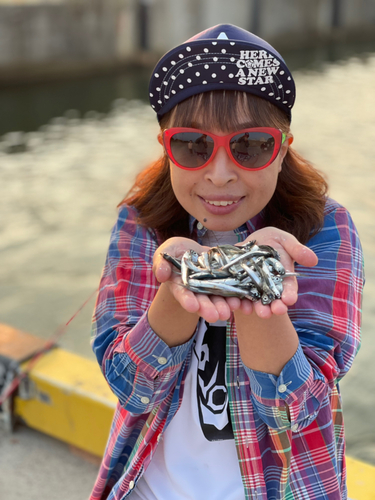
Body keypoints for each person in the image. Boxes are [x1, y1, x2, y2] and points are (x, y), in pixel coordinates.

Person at [90, 24, 364, 500]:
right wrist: (177, 284)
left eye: (251, 146)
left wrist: (258, 284)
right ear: (167, 149)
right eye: (193, 146)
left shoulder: (323, 229)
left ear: (282, 149)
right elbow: (131, 389)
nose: (219, 175)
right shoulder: (140, 222)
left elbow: (293, 414)